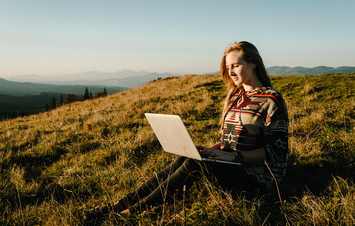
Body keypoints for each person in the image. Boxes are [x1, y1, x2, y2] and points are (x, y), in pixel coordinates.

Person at [94, 41, 289, 216]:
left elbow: (276, 152)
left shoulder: (271, 100)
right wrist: (211, 150)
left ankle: (132, 212)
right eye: (228, 67)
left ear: (253, 63)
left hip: (260, 179)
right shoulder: (236, 97)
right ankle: (120, 204)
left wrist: (234, 157)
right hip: (233, 166)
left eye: (236, 65)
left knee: (197, 165)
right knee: (190, 158)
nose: (230, 72)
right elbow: (231, 140)